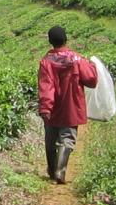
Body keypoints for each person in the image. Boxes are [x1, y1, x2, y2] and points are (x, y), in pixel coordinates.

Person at [37, 25, 98, 183]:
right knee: (67, 138)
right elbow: (91, 80)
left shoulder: (46, 62)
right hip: (72, 105)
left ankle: (52, 170)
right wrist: (92, 65)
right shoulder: (77, 59)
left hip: (53, 108)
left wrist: (45, 107)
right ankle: (60, 171)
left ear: (50, 41)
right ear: (66, 39)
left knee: (50, 139)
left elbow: (46, 86)